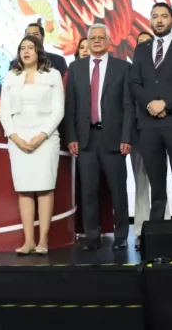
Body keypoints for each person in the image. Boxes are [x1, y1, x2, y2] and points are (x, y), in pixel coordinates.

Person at [65, 24, 132, 251]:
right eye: (92, 38)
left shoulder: (123, 67)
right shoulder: (75, 68)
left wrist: (127, 137)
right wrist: (71, 136)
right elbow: (70, 106)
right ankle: (91, 237)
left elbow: (128, 106)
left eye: (100, 37)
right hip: (86, 139)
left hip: (114, 138)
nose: (96, 41)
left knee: (118, 190)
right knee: (89, 192)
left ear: (108, 40)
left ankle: (122, 236)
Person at [130, 3, 172, 221]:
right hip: (149, 124)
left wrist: (164, 104)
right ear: (150, 20)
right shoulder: (141, 48)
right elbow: (135, 83)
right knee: (156, 179)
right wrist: (150, 104)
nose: (159, 20)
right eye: (155, 16)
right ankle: (157, 229)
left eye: (164, 16)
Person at [1, 35, 65, 254]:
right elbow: (4, 112)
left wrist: (41, 135)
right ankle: (28, 241)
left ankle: (43, 241)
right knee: (24, 190)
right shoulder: (11, 76)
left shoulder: (52, 75)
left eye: (31, 48)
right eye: (22, 48)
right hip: (18, 138)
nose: (26, 51)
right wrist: (15, 137)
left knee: (45, 187)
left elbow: (58, 110)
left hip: (45, 138)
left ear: (39, 51)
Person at [129, 31, 163, 248]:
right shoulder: (129, 71)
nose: (144, 46)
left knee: (158, 182)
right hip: (136, 133)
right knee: (140, 182)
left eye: (147, 43)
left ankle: (163, 224)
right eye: (140, 44)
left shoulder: (159, 73)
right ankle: (141, 227)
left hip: (158, 131)